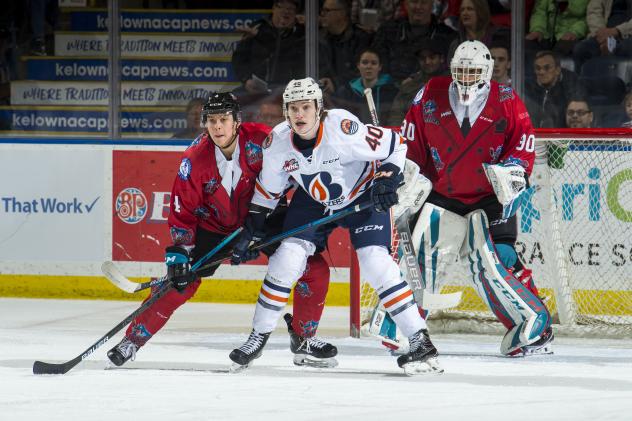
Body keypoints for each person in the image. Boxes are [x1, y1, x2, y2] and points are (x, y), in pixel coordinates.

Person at [229, 77, 443, 375]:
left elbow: (396, 145)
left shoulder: (343, 129)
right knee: (287, 257)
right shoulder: (278, 144)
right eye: (293, 108)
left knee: (375, 263)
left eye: (306, 107)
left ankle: (419, 339)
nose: (300, 115)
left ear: (319, 108)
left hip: (363, 194)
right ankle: (258, 336)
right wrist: (250, 230)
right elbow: (267, 194)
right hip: (315, 199)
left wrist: (388, 176)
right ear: (285, 111)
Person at [107, 92, 337, 369]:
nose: (218, 127)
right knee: (180, 283)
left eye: (224, 120)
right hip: (215, 228)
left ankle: (303, 337)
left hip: (264, 220)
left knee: (314, 269)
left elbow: (295, 168)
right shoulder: (194, 159)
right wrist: (180, 256)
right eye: (212, 120)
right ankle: (132, 340)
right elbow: (183, 211)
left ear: (237, 121)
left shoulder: (263, 141)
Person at [399, 40, 553, 357]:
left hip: (490, 197)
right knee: (422, 259)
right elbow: (412, 141)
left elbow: (522, 143)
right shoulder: (430, 92)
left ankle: (535, 328)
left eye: (473, 71)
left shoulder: (507, 98)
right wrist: (409, 175)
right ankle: (405, 328)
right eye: (461, 70)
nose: (466, 77)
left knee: (502, 259)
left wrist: (513, 172)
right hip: (444, 194)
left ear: (486, 71)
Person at [371, 0, 456, 82]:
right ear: (405, 4)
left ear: (432, 4)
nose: (418, 7)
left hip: (431, 90)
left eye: (424, 2)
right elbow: (375, 65)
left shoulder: (447, 36)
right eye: (414, 1)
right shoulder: (387, 30)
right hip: (389, 90)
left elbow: (452, 71)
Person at [386, 37, 450, 126]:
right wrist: (400, 135)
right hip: (415, 135)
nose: (427, 62)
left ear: (442, 58)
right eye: (423, 58)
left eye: (432, 57)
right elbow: (396, 115)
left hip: (447, 134)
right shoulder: (409, 85)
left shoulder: (453, 82)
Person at [332, 48, 398, 124]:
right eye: (365, 62)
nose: (369, 66)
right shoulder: (346, 92)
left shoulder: (391, 92)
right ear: (358, 65)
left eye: (373, 63)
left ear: (380, 67)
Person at [320, 0, 373, 92]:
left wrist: (335, 83)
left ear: (342, 13)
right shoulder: (319, 39)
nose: (322, 14)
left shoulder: (362, 39)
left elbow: (364, 72)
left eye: (327, 10)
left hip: (354, 99)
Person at [524, 50, 585, 128]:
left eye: (547, 68)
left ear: (557, 70)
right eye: (538, 68)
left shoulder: (571, 85)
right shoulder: (527, 87)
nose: (541, 72)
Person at [573, 0, 632, 72]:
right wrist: (602, 33)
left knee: (624, 48)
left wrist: (618, 31)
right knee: (581, 49)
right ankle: (583, 82)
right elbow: (593, 11)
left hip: (628, 34)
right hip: (604, 33)